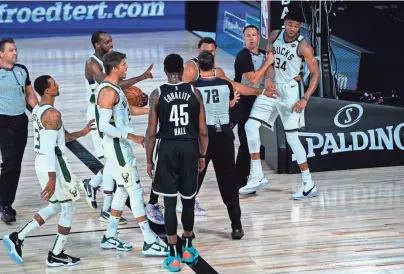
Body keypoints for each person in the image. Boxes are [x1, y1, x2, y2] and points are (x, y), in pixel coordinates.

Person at [145, 37, 265, 220]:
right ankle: (155, 202)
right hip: (184, 126)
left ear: (215, 52)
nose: (208, 53)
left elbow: (234, 86)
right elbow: (179, 94)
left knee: (193, 171)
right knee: (173, 168)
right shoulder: (190, 69)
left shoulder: (218, 71)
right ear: (198, 52)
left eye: (211, 51)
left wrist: (259, 91)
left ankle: (182, 202)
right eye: (204, 51)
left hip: (206, 131)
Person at [3, 75, 94, 266]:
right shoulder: (53, 115)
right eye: (54, 84)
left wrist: (82, 133)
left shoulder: (38, 111)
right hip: (54, 164)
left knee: (56, 206)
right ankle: (56, 254)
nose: (57, 85)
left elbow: (58, 139)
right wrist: (52, 178)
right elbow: (49, 148)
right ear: (46, 90)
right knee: (69, 206)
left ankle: (18, 237)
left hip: (42, 162)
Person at [239, 10, 320, 199]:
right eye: (290, 24)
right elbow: (270, 60)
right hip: (273, 88)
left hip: (290, 92)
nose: (292, 29)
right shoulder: (275, 35)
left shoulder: (304, 46)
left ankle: (308, 183)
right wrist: (268, 77)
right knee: (250, 125)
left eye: (297, 26)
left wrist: (305, 98)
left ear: (300, 27)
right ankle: (257, 174)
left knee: (292, 138)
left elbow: (315, 74)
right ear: (285, 22)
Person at [96, 50, 168, 255]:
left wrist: (152, 109)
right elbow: (103, 126)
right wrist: (132, 137)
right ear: (115, 67)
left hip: (120, 144)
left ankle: (110, 235)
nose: (127, 68)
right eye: (124, 65)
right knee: (135, 190)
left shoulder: (115, 88)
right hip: (118, 147)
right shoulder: (108, 91)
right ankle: (148, 240)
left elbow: (128, 111)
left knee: (122, 189)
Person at [145, 53, 208, 272]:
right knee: (188, 200)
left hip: (168, 149)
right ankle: (188, 246)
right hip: (189, 148)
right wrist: (202, 155)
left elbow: (151, 133)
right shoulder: (194, 92)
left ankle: (173, 254)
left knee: (169, 202)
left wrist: (149, 160)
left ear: (165, 70)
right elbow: (202, 130)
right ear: (182, 70)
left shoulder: (157, 94)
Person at [81, 30, 151, 225]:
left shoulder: (110, 61)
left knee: (112, 163)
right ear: (97, 45)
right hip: (98, 112)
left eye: (111, 41)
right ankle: (105, 208)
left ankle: (93, 185)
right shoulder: (92, 63)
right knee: (111, 162)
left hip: (110, 110)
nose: (111, 44)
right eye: (107, 42)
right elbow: (111, 84)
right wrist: (141, 77)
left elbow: (118, 87)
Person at [191, 51, 245, 239]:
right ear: (214, 66)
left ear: (198, 66)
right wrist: (230, 123)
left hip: (202, 138)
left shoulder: (192, 88)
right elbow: (235, 106)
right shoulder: (225, 85)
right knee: (228, 183)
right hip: (223, 135)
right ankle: (236, 226)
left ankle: (188, 230)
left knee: (193, 183)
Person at [0, 38, 38, 223]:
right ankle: (4, 204)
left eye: (15, 50)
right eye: (11, 50)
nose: (15, 53)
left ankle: (6, 202)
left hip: (20, 120)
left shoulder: (22, 70)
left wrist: (39, 113)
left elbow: (30, 94)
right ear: (1, 53)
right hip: (2, 121)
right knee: (9, 163)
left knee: (15, 164)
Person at [232, 26, 274, 192]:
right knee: (244, 141)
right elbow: (253, 78)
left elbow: (270, 74)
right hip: (240, 100)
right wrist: (267, 63)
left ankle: (247, 178)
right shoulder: (243, 55)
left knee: (249, 141)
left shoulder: (264, 53)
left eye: (254, 35)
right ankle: (239, 181)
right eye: (248, 36)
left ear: (258, 37)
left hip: (256, 100)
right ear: (243, 38)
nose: (251, 38)